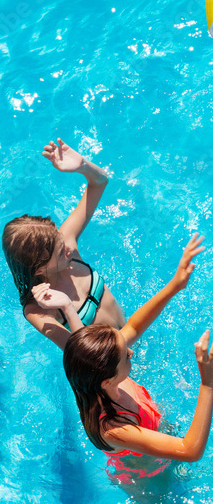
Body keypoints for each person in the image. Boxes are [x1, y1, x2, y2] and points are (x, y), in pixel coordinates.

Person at [55, 234, 213, 482]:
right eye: (125, 357)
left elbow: (133, 326)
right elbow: (190, 450)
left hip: (152, 429)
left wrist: (175, 285)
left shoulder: (91, 376)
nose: (131, 352)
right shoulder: (114, 429)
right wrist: (208, 382)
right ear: (107, 380)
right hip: (146, 473)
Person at [3, 138, 125, 350]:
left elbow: (100, 182)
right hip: (110, 370)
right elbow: (83, 355)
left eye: (62, 242)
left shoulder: (64, 241)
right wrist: (68, 308)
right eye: (60, 253)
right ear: (40, 268)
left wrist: (83, 167)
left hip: (131, 336)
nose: (69, 248)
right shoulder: (38, 309)